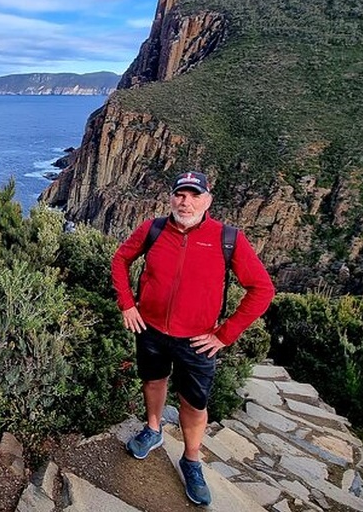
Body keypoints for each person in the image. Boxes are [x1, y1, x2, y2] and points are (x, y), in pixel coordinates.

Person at [110, 171, 275, 506]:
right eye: (180, 195)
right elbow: (120, 259)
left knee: (194, 403)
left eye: (194, 195)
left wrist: (224, 335)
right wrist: (127, 304)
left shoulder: (227, 238)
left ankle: (192, 459)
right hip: (151, 330)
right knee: (153, 381)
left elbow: (262, 290)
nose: (185, 202)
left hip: (198, 341)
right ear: (171, 198)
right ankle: (153, 429)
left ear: (207, 201)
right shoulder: (153, 229)